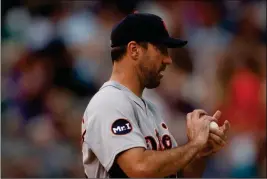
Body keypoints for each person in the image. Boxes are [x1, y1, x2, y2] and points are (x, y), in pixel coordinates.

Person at [81, 13, 230, 178]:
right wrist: (194, 145)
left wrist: (200, 152)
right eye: (161, 49)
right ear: (134, 50)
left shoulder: (150, 109)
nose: (168, 60)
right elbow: (139, 168)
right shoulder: (108, 102)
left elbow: (182, 174)